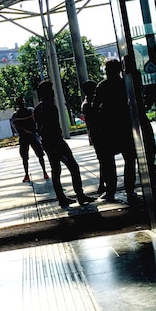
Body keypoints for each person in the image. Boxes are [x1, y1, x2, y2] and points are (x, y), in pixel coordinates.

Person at [33, 81, 96, 208]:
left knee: (56, 170)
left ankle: (61, 197)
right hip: (56, 142)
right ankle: (80, 195)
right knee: (73, 167)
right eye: (50, 90)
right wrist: (55, 143)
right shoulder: (49, 106)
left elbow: (39, 127)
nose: (53, 92)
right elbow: (46, 126)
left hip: (48, 143)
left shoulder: (38, 108)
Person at [93, 58, 141, 205]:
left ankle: (111, 191)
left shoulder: (103, 86)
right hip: (125, 126)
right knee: (129, 160)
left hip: (108, 128)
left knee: (109, 162)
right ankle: (129, 189)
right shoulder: (125, 85)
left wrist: (98, 126)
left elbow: (95, 107)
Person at [10, 96, 49, 182]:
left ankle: (44, 171)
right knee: (25, 157)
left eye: (22, 102)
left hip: (32, 135)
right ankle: (27, 174)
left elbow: (33, 120)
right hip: (25, 136)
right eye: (20, 102)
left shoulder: (29, 111)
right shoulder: (17, 114)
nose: (22, 104)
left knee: (39, 154)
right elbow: (16, 124)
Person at [80, 80, 105, 194]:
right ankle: (102, 183)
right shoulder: (89, 105)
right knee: (103, 159)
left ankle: (102, 183)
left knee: (102, 159)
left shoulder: (86, 104)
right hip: (98, 134)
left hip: (95, 134)